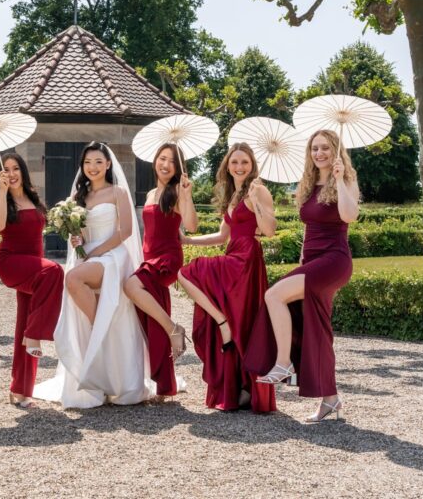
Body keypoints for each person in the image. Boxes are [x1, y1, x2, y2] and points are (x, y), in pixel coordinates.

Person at [245, 129, 359, 422]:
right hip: (313, 260)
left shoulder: (345, 179)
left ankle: (283, 363)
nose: (319, 153)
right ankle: (331, 399)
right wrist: (302, 260)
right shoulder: (308, 184)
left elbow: (348, 216)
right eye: (314, 148)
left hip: (334, 261)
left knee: (273, 294)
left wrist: (339, 178)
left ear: (335, 150)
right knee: (317, 329)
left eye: (325, 148)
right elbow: (309, 227)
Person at [34, 142, 151, 408]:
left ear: (108, 164)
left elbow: (126, 232)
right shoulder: (79, 197)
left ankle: (101, 326)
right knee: (75, 279)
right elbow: (82, 234)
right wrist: (77, 237)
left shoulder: (117, 192)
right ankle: (101, 332)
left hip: (113, 254)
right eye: (88, 163)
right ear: (82, 166)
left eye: (98, 162)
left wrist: (97, 250)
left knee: (73, 278)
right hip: (89, 254)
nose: (93, 167)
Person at [177, 143, 277, 413]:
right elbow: (223, 237)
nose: (239, 167)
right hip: (234, 255)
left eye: (244, 162)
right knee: (238, 318)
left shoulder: (260, 190)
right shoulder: (232, 195)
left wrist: (257, 204)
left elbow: (268, 231)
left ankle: (223, 324)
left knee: (188, 273)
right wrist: (188, 239)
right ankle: (239, 390)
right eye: (234, 162)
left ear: (252, 164)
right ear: (227, 166)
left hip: (247, 262)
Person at [123, 143, 197, 402]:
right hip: (149, 258)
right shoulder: (151, 193)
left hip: (166, 259)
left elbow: (191, 225)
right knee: (150, 316)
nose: (165, 164)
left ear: (178, 168)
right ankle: (165, 386)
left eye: (171, 162)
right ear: (155, 160)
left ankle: (174, 328)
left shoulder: (178, 191)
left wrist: (186, 197)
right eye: (162, 159)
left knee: (130, 287)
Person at [0, 153, 63, 409]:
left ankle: (20, 390)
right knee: (55, 271)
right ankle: (34, 336)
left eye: (15, 168)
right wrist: (1, 191)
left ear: (22, 170)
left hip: (34, 267)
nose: (11, 173)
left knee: (25, 321)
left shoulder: (33, 198)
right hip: (12, 263)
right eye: (5, 170)